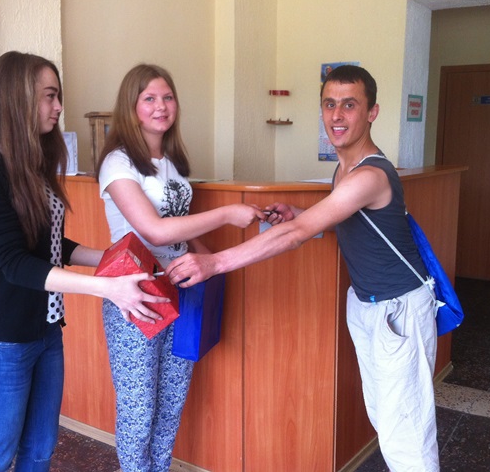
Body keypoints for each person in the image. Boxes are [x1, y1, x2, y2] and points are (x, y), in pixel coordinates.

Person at [166, 65, 440, 471]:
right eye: (329, 104)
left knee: (407, 436)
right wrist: (300, 213)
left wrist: (215, 262)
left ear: (372, 113)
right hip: (368, 306)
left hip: (398, 310)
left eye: (350, 105)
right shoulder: (344, 170)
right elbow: (347, 224)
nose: (337, 115)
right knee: (387, 420)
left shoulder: (370, 175)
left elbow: (295, 236)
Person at [0, 51, 168, 472]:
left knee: (41, 449)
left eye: (57, 96)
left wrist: (112, 260)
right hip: (0, 339)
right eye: (49, 96)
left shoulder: (31, 166)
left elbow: (49, 244)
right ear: (17, 98)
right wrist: (107, 287)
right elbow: (15, 263)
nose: (58, 107)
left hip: (45, 330)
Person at [96, 63, 265, 472]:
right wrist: (226, 214)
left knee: (171, 405)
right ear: (131, 107)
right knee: (139, 411)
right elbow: (154, 230)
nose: (161, 106)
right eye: (150, 98)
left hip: (181, 292)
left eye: (168, 97)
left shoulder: (170, 161)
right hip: (136, 297)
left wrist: (216, 263)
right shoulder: (119, 163)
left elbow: (177, 233)